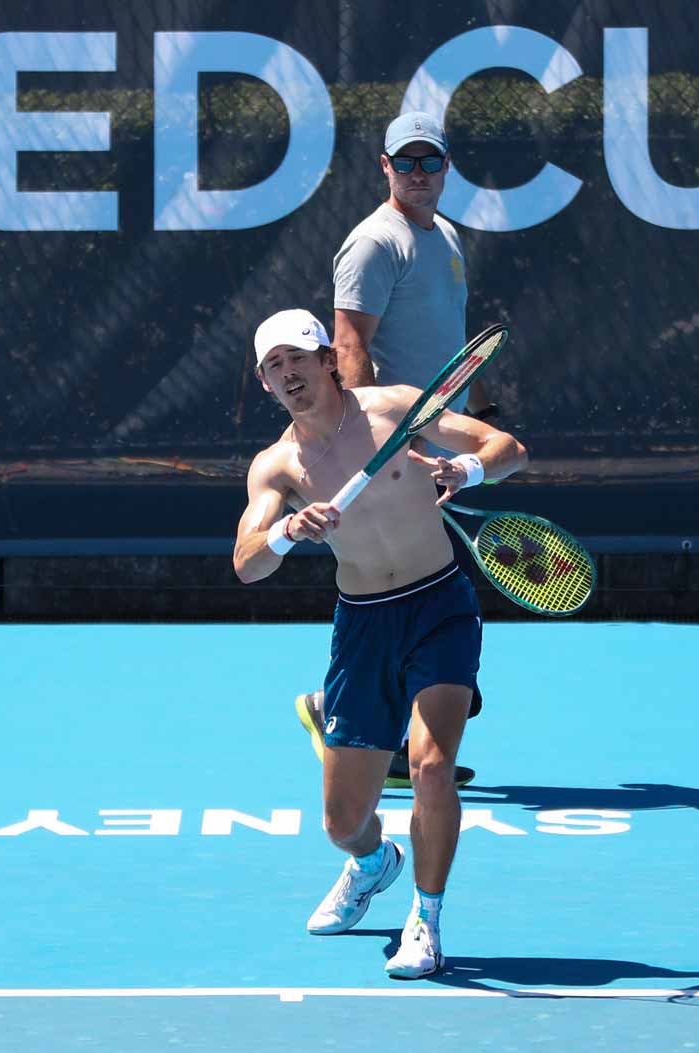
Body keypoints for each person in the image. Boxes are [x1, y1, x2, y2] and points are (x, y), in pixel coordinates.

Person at [234, 309, 528, 979]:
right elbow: (247, 560)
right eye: (275, 366)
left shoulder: (398, 410)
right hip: (363, 625)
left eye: (299, 359)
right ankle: (373, 862)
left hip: (438, 606)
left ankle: (426, 920)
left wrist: (466, 471)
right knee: (342, 820)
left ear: (328, 361)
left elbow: (507, 448)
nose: (290, 373)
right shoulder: (276, 466)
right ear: (264, 383)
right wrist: (289, 531)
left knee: (431, 766)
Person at [296, 110, 491, 789]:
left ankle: (398, 706)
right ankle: (344, 706)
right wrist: (374, 448)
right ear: (384, 167)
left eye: (428, 162)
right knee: (408, 585)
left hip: (433, 442)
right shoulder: (375, 243)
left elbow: (443, 351)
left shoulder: (445, 236)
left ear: (446, 166)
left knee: (430, 588)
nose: (416, 174)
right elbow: (349, 348)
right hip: (393, 447)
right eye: (403, 162)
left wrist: (461, 429)